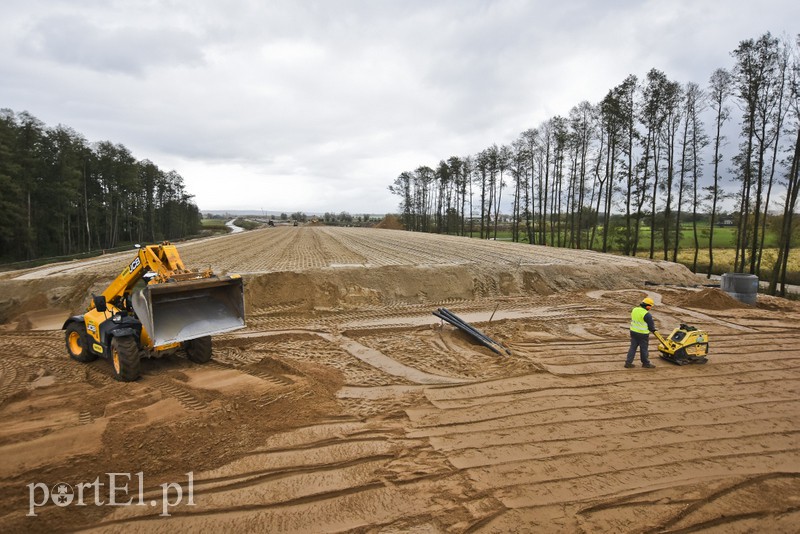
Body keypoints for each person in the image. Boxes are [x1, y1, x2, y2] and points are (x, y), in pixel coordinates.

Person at [625, 297, 657, 368]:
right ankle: (645, 363)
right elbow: (651, 326)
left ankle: (628, 362)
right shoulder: (647, 314)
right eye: (650, 306)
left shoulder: (634, 309)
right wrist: (654, 330)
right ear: (648, 306)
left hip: (633, 332)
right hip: (643, 334)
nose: (650, 308)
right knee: (644, 349)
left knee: (632, 347)